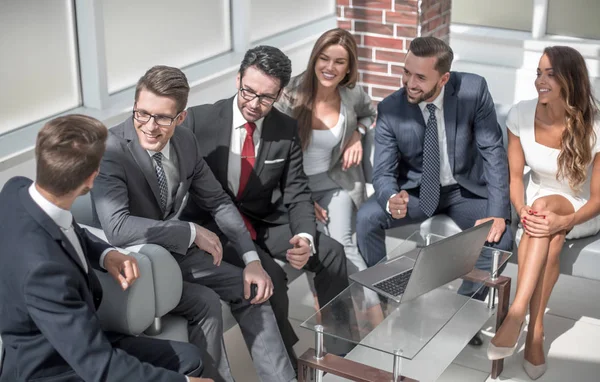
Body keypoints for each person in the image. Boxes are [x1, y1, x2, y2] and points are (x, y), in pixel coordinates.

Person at [91, 66, 295, 382]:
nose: (149, 126)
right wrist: (189, 231)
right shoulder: (111, 149)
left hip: (174, 257)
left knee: (250, 287)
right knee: (206, 302)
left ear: (181, 118)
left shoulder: (186, 142)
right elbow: (117, 227)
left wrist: (251, 260)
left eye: (162, 118)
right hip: (136, 264)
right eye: (142, 113)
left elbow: (218, 201)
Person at [0, 115, 211, 382]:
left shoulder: (15, 190)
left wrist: (105, 253)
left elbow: (66, 227)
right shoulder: (45, 274)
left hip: (76, 339)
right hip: (51, 369)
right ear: (92, 178)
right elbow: (101, 368)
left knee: (190, 358)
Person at [179, 45, 350, 360]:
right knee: (270, 278)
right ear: (238, 79)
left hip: (264, 220)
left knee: (332, 253)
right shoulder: (197, 121)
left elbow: (297, 190)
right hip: (216, 227)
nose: (254, 104)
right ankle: (289, 364)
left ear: (280, 93)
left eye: (266, 97)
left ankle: (341, 356)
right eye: (248, 91)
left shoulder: (285, 129)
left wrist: (304, 236)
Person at [356, 36, 513, 346]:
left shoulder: (473, 91)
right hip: (416, 192)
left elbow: (493, 152)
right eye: (406, 73)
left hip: (464, 191)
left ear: (444, 78)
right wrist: (390, 197)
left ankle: (461, 312)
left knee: (502, 236)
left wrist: (497, 212)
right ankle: (390, 296)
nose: (409, 83)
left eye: (420, 77)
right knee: (366, 218)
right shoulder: (390, 108)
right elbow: (383, 171)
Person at [487, 46, 600, 380]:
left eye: (550, 73)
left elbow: (598, 198)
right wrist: (521, 209)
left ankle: (516, 312)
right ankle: (534, 331)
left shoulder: (595, 125)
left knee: (548, 213)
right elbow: (514, 177)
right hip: (535, 204)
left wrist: (566, 220)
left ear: (570, 79)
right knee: (544, 223)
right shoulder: (520, 115)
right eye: (539, 72)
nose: (541, 80)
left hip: (580, 209)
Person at [275, 28, 377, 274]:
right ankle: (327, 311)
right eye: (324, 58)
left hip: (335, 182)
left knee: (344, 244)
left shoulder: (351, 93)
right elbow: (276, 156)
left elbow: (369, 112)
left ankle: (376, 311)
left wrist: (356, 134)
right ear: (314, 59)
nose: (330, 67)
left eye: (339, 62)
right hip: (296, 188)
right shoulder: (290, 95)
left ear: (348, 67)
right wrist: (302, 201)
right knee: (318, 245)